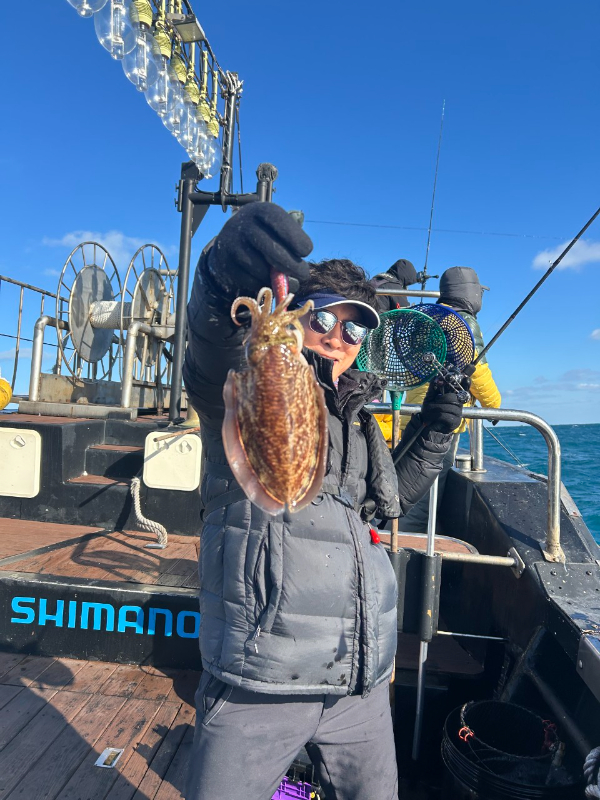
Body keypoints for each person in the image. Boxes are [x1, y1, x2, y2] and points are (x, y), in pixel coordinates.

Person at [183, 202, 465, 800]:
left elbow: (385, 501)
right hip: (260, 679)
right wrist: (218, 279)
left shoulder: (359, 420)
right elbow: (211, 356)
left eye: (356, 328)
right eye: (325, 317)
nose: (338, 336)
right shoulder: (251, 379)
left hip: (359, 681)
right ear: (297, 317)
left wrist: (437, 429)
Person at [397, 265, 502, 533]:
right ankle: (407, 541)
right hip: (442, 417)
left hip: (412, 411)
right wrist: (494, 406)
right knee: (423, 489)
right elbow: (478, 374)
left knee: (405, 476)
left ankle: (393, 532)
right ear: (472, 293)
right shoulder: (464, 323)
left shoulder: (427, 319)